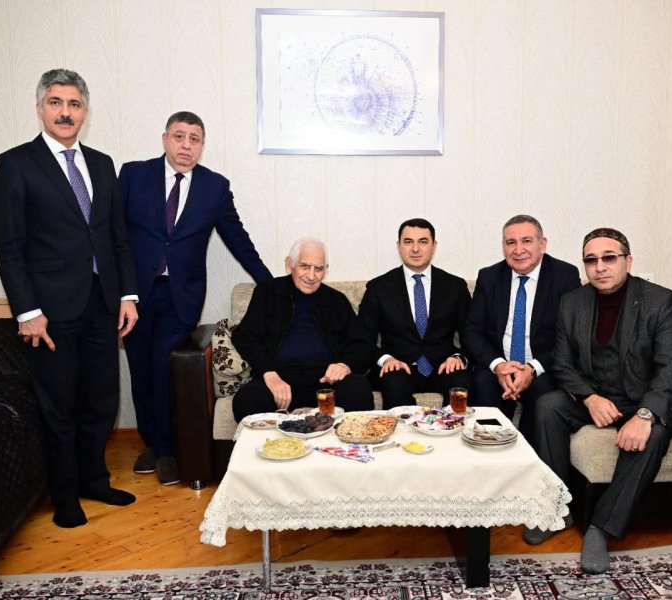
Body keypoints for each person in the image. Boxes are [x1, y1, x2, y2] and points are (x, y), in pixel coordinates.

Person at [0, 69, 138, 528]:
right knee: (59, 405)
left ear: (85, 113)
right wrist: (27, 311)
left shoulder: (102, 164)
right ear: (40, 109)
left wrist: (127, 295)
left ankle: (95, 480)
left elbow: (117, 237)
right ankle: (66, 494)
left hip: (102, 303)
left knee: (101, 400)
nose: (65, 112)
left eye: (74, 104)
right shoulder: (16, 164)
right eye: (55, 102)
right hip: (49, 311)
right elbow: (9, 247)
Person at [119, 111, 272, 485]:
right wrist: (119, 291)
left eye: (195, 139)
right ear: (165, 139)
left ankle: (168, 450)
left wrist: (270, 285)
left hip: (180, 297)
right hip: (134, 295)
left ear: (202, 145)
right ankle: (152, 442)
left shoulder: (214, 187)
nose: (186, 145)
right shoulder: (134, 175)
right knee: (140, 371)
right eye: (179, 136)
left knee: (162, 368)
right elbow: (115, 235)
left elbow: (238, 239)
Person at [524, 227, 672, 575]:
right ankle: (557, 510)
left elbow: (669, 368)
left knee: (654, 435)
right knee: (548, 405)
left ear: (628, 261)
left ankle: (600, 528)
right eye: (591, 260)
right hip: (596, 395)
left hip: (641, 399)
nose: (600, 267)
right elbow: (562, 364)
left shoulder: (659, 300)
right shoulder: (572, 302)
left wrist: (645, 414)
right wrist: (589, 397)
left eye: (609, 258)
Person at [463, 215, 580, 445]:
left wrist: (533, 369)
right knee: (482, 384)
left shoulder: (564, 276)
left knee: (545, 395)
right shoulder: (489, 277)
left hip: (543, 367)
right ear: (503, 247)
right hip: (499, 365)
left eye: (526, 241)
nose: (518, 250)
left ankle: (528, 457)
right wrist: (499, 366)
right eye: (511, 242)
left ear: (542, 244)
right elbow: (472, 332)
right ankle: (490, 454)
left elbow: (571, 337)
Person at [231, 238, 374, 419]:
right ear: (289, 265)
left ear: (325, 270)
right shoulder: (267, 292)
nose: (311, 276)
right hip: (280, 381)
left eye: (318, 269)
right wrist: (269, 373)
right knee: (247, 400)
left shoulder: (336, 300)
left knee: (358, 389)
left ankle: (342, 438)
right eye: (305, 266)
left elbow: (361, 343)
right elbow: (244, 336)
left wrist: (344, 365)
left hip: (326, 384)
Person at [357, 218, 473, 409]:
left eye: (423, 242)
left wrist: (459, 357)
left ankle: (452, 428)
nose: (415, 249)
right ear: (399, 246)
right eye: (408, 242)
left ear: (434, 246)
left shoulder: (455, 286)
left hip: (443, 365)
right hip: (398, 367)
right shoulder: (378, 288)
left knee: (462, 380)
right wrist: (386, 359)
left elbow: (472, 334)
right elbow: (362, 337)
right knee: (393, 381)